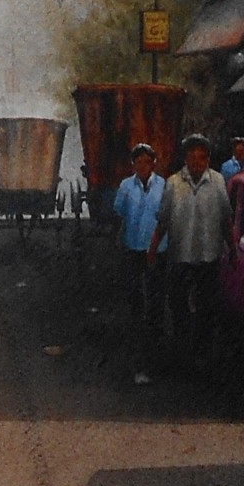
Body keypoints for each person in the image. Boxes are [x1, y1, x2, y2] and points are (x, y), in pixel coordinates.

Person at [148, 133, 232, 365]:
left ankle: (202, 353)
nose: (197, 162)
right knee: (178, 304)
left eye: (202, 158)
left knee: (207, 306)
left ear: (207, 160)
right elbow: (163, 221)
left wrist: (232, 249)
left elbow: (226, 219)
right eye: (192, 158)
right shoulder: (173, 183)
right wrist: (152, 250)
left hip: (209, 255)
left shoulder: (218, 182)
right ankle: (181, 349)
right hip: (180, 255)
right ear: (185, 159)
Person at [111, 142, 167, 385]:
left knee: (155, 295)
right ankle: (136, 335)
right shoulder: (126, 186)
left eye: (147, 161)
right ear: (133, 165)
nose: (142, 166)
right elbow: (119, 212)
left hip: (158, 248)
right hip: (133, 247)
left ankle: (155, 340)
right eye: (138, 162)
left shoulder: (164, 185)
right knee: (135, 296)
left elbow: (166, 216)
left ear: (153, 163)